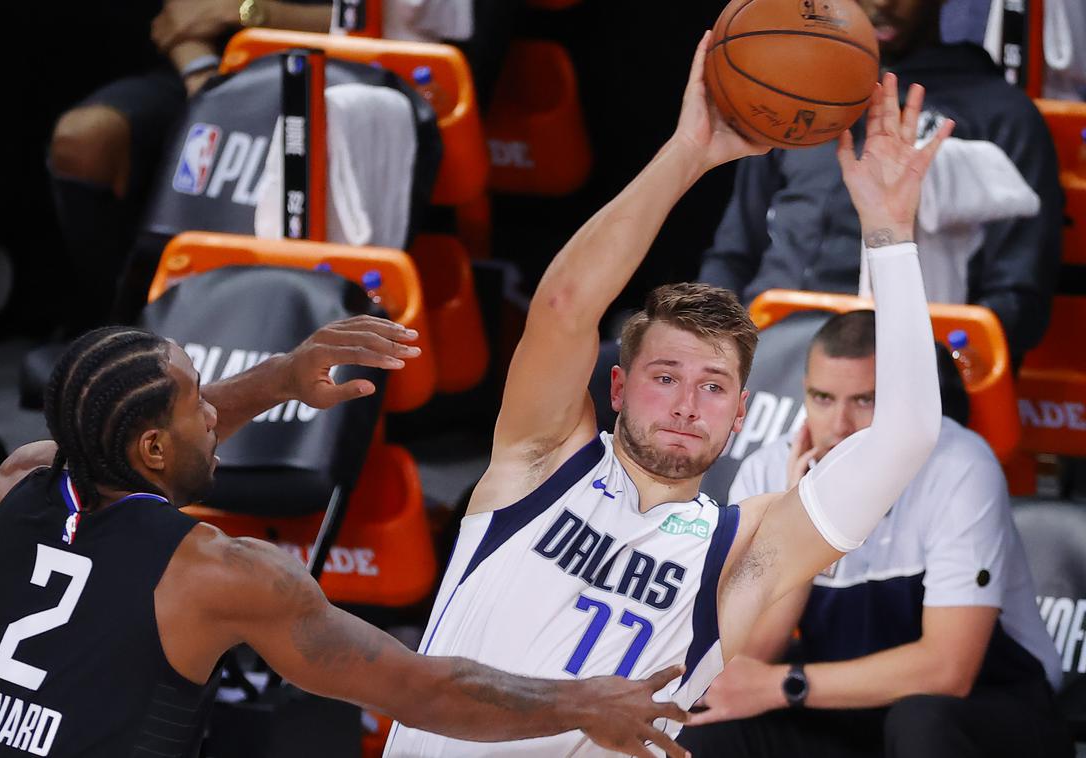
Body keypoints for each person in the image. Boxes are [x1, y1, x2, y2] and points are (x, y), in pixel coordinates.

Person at [385, 30, 952, 756]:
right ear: (617, 387)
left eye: (714, 387)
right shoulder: (540, 463)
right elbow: (562, 306)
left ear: (741, 414)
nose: (688, 403)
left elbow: (906, 437)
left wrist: (889, 231)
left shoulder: (742, 549)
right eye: (665, 377)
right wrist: (691, 150)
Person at [0, 315, 693, 758]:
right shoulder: (216, 574)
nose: (212, 412)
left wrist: (277, 381)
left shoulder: (16, 483)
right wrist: (582, 702)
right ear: (149, 448)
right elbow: (419, 689)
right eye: (194, 402)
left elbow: (141, 442)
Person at [676, 309, 1070, 758]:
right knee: (705, 729)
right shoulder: (769, 470)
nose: (840, 426)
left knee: (921, 720)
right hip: (846, 705)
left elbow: (949, 669)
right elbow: (750, 659)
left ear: (907, 402)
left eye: (865, 401)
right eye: (822, 398)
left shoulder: (959, 465)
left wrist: (788, 684)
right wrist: (798, 523)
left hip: (992, 703)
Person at [698, 0, 1063, 367]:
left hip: (903, 370)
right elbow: (734, 253)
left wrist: (926, 369)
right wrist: (709, 344)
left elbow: (1018, 302)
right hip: (765, 360)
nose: (883, 1)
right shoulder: (792, 95)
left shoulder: (1002, 114)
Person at [47, 0, 332, 331]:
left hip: (347, 80)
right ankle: (113, 330)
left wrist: (248, 11)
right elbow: (179, 16)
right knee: (84, 139)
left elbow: (394, 24)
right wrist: (204, 80)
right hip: (208, 72)